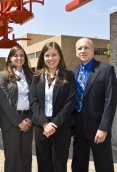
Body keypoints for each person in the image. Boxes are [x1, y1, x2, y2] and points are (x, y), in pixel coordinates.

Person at [71, 38, 117, 172]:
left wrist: (104, 128)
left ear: (93, 50)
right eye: (80, 48)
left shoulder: (106, 70)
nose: (83, 51)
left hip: (98, 127)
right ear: (76, 52)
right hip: (78, 128)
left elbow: (111, 101)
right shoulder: (71, 73)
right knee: (78, 165)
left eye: (86, 48)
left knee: (104, 165)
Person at [30, 42, 76, 172]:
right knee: (43, 164)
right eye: (47, 55)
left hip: (61, 127)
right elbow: (33, 101)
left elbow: (70, 102)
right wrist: (45, 123)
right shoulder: (36, 76)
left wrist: (54, 124)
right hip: (41, 127)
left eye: (54, 55)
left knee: (59, 165)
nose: (51, 58)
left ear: (60, 56)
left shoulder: (69, 76)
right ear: (43, 57)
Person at [0, 45, 33, 172]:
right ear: (10, 58)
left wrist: (30, 118)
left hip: (28, 120)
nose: (19, 58)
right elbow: (4, 102)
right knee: (13, 155)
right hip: (11, 121)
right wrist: (19, 122)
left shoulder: (30, 76)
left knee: (26, 154)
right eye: (15, 55)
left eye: (22, 55)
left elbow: (35, 99)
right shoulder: (3, 76)